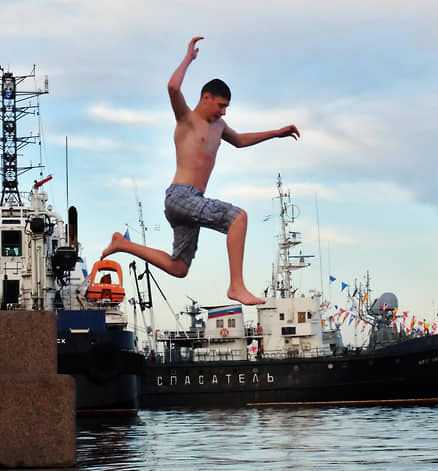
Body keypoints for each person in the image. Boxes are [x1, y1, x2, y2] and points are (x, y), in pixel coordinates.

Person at [101, 37, 299, 305]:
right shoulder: (187, 118)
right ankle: (236, 286)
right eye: (220, 105)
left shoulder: (219, 127)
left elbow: (240, 141)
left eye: (227, 107)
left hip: (190, 205)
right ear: (206, 98)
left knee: (178, 268)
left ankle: (123, 245)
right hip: (182, 196)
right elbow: (172, 87)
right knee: (238, 218)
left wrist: (275, 133)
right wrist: (189, 59)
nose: (224, 112)